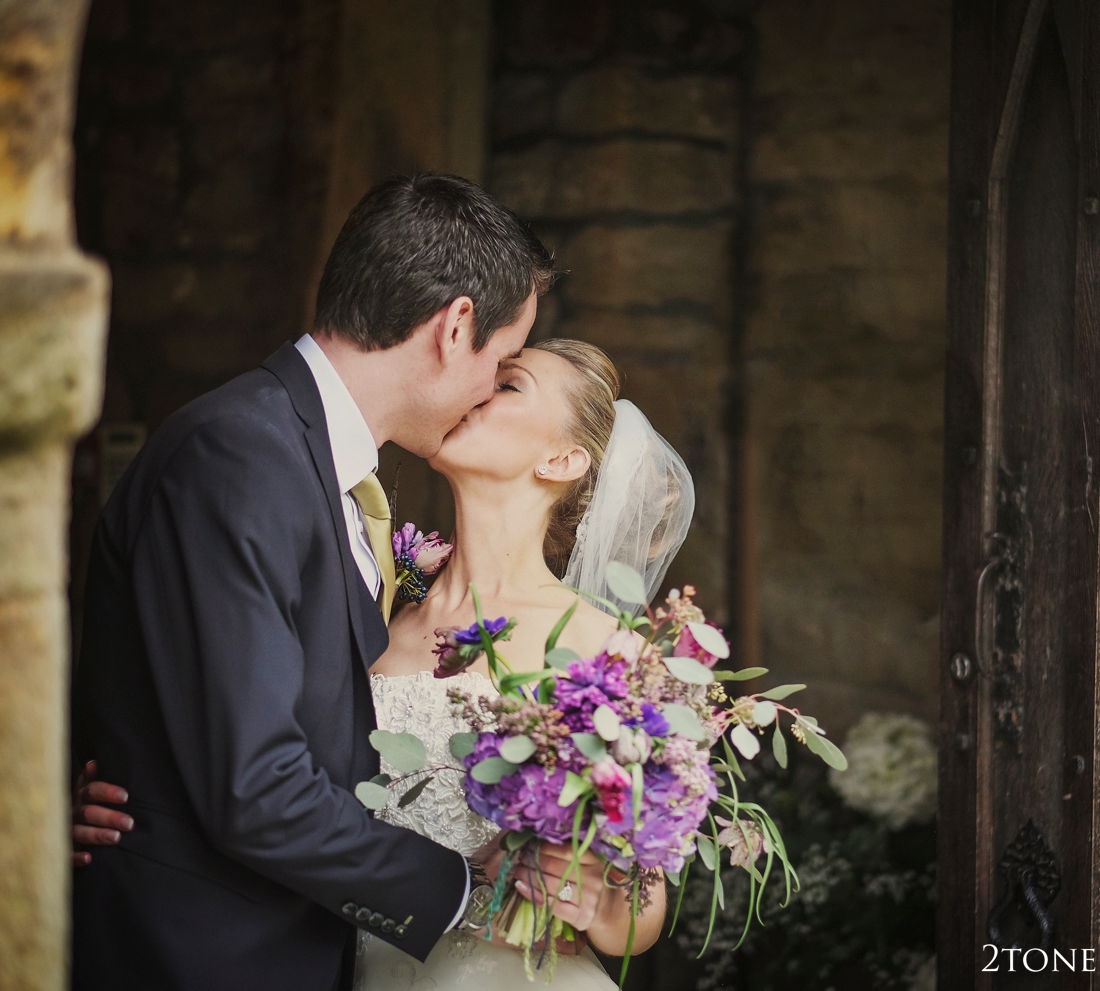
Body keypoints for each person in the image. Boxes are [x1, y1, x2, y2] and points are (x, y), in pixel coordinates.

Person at [79, 337, 697, 989]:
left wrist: (592, 903)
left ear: (561, 458)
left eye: (509, 384)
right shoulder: (373, 606)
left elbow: (642, 909)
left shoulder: (603, 649)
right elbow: (249, 743)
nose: (478, 387)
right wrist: (134, 800)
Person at [70, 174, 552, 991]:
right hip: (199, 959)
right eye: (499, 362)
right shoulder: (241, 456)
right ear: (454, 326)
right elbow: (254, 787)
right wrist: (465, 893)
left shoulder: (307, 463)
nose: (484, 394)